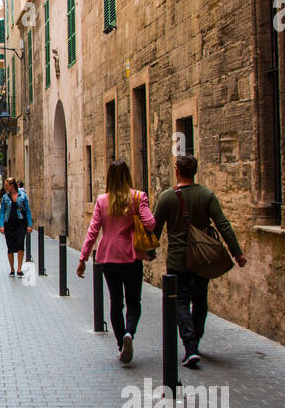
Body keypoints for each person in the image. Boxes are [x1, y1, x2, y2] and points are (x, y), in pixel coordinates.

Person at [151, 155, 246, 369]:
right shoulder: (207, 196)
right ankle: (195, 340)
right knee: (200, 300)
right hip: (202, 259)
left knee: (180, 302)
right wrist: (237, 253)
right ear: (194, 172)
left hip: (177, 260)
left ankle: (190, 345)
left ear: (177, 171)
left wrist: (149, 252)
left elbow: (155, 229)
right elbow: (223, 225)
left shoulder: (167, 197)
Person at [76, 160, 157, 364]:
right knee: (133, 301)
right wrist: (139, 211)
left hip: (108, 256)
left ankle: (121, 344)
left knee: (115, 302)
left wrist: (83, 258)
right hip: (130, 256)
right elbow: (151, 223)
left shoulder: (102, 200)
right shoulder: (138, 197)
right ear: (128, 175)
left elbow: (93, 231)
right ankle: (129, 332)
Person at [0, 177, 34, 278]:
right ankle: (12, 269)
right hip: (9, 224)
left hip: (21, 223)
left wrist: (29, 225)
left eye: (6, 185)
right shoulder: (5, 197)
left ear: (12, 185)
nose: (5, 187)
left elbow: (27, 210)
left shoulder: (23, 196)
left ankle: (19, 269)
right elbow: (2, 212)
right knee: (10, 247)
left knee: (20, 244)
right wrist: (1, 225)